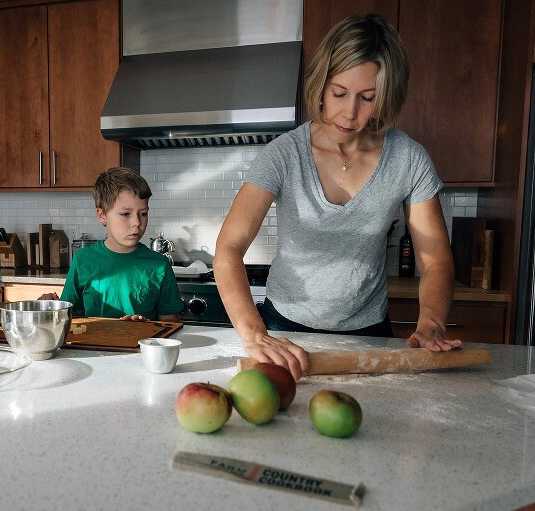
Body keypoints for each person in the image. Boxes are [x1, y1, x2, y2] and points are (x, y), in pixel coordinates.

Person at [213, 14, 462, 380]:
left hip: (370, 335)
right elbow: (228, 249)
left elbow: (436, 260)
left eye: (367, 98)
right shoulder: (284, 154)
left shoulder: (408, 158)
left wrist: (431, 324)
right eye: (339, 93)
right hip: (285, 329)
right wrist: (254, 335)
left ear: (387, 97)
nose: (350, 112)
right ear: (321, 85)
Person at [59, 167, 184, 321]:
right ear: (102, 215)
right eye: (125, 214)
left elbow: (170, 322)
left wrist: (147, 327)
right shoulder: (83, 259)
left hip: (142, 344)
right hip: (92, 345)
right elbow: (69, 317)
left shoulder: (159, 265)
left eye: (143, 213)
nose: (137, 222)